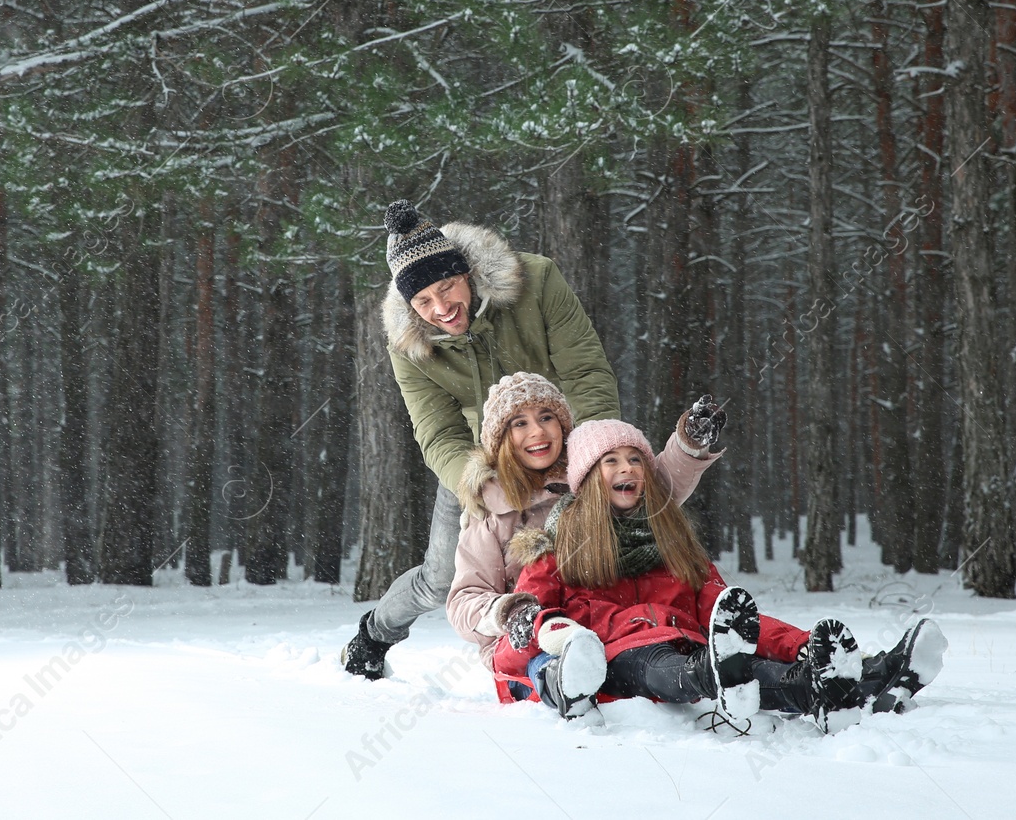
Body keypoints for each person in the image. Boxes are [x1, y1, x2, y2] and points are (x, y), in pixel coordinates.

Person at [497, 419, 946, 730]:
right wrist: (535, 632)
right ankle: (734, 674)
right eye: (611, 461)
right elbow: (519, 647)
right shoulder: (555, 551)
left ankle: (853, 678)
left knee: (743, 663)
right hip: (621, 660)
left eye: (636, 459)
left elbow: (729, 617)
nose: (627, 469)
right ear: (589, 479)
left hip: (697, 646)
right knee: (680, 665)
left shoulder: (672, 545)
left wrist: (801, 644)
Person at [340, 201, 621, 680]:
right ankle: (375, 632)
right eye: (423, 301)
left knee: (593, 555)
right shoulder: (409, 344)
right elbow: (437, 430)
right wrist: (477, 484)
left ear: (466, 271)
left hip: (564, 447)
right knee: (442, 579)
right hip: (481, 461)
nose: (441, 309)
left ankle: (611, 651)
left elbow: (585, 371)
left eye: (447, 287)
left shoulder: (538, 281)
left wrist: (591, 458)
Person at [446, 373, 725, 703]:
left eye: (546, 417)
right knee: (550, 659)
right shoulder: (491, 513)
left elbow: (655, 487)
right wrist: (505, 612)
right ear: (502, 441)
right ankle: (563, 686)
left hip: (603, 624)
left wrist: (686, 446)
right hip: (527, 645)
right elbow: (465, 598)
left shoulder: (587, 478)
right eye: (519, 423)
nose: (537, 431)